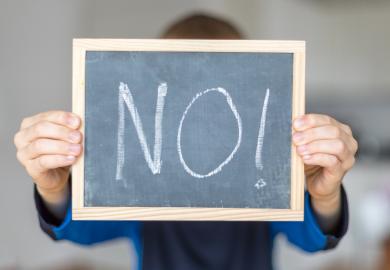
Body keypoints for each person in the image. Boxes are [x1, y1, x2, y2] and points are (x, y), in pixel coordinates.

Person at [14, 13, 358, 270]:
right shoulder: (140, 175)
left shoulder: (264, 170)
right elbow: (79, 230)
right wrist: (54, 189)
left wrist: (325, 194)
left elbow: (315, 238)